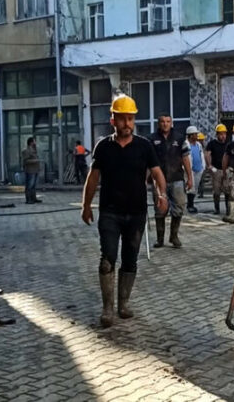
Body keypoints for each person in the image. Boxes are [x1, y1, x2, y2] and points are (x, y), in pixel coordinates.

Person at [81, 94, 168, 328]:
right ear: (113, 120)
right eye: (122, 119)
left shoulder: (144, 146)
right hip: (110, 212)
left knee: (130, 260)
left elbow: (157, 173)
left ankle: (124, 304)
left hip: (136, 213)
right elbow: (93, 178)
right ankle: (107, 308)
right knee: (107, 259)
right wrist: (86, 205)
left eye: (130, 118)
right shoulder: (103, 147)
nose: (127, 123)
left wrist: (162, 195)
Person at [148, 113, 193, 248]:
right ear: (159, 123)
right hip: (158, 180)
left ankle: (174, 236)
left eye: (168, 121)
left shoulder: (179, 138)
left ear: (171, 123)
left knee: (179, 207)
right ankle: (160, 239)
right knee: (160, 209)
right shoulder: (151, 139)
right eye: (162, 121)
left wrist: (189, 177)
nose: (165, 124)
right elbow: (147, 161)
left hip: (177, 178)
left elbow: (185, 158)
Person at [205, 124, 228, 215]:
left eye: (224, 134)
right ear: (217, 134)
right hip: (216, 170)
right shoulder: (212, 144)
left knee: (227, 191)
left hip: (226, 170)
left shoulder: (228, 144)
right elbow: (207, 154)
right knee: (216, 191)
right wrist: (209, 166)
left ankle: (228, 209)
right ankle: (217, 208)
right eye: (221, 134)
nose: (223, 136)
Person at [186, 126, 206, 213]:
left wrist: (203, 167)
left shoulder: (198, 145)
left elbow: (201, 156)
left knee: (195, 188)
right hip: (190, 170)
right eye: (195, 134)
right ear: (190, 135)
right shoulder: (186, 144)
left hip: (199, 169)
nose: (197, 136)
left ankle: (192, 203)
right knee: (190, 188)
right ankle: (189, 205)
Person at [21, 137, 41, 204]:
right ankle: (28, 199)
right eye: (34, 141)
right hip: (30, 171)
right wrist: (35, 161)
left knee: (34, 186)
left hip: (36, 170)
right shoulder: (26, 150)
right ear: (31, 142)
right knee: (29, 185)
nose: (35, 143)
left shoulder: (34, 150)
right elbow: (26, 161)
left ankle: (34, 198)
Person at [197, 132, 206, 199]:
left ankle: (201, 193)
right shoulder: (196, 147)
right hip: (197, 165)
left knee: (201, 180)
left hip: (202, 166)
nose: (201, 141)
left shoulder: (204, 148)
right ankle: (199, 192)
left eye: (201, 140)